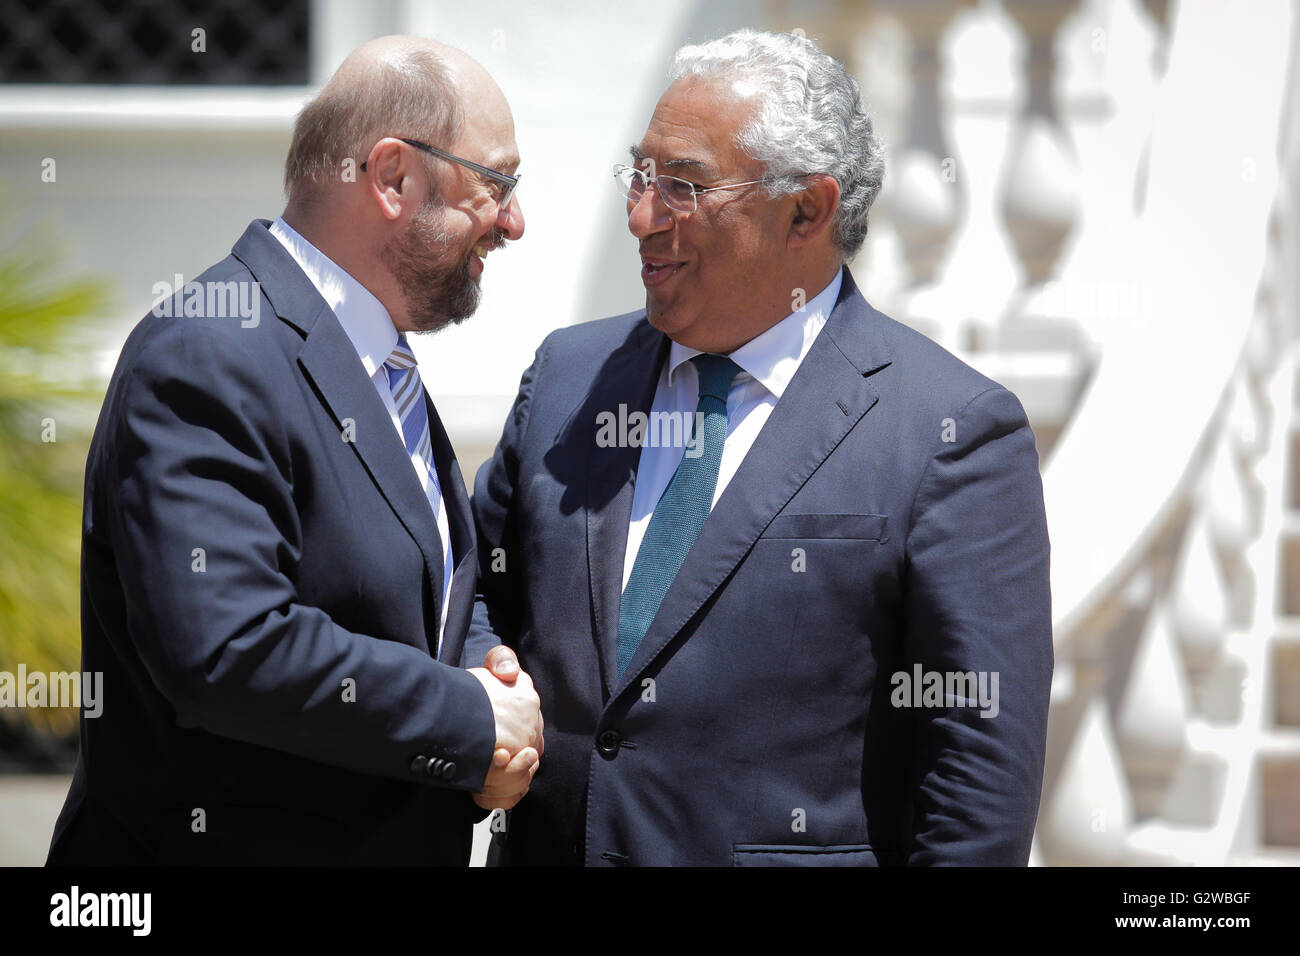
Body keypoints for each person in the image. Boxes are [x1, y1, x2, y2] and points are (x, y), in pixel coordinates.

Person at [468, 29, 1052, 866]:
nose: (641, 216)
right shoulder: (569, 376)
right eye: (640, 177)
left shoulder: (950, 432)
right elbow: (474, 593)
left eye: (683, 186)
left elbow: (976, 786)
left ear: (806, 210)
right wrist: (485, 707)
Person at [46, 35, 542, 865]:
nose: (515, 221)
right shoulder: (209, 350)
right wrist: (465, 720)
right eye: (495, 184)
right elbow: (228, 646)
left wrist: (489, 675)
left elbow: (422, 581)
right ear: (391, 178)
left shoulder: (370, 352)